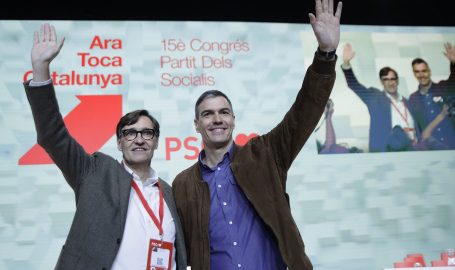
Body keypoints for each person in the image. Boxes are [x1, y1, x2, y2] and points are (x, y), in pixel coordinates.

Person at [172, 0, 342, 269]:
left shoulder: (264, 154)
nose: (217, 119)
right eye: (208, 114)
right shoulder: (182, 184)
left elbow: (304, 111)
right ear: (196, 124)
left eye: (224, 112)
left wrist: (325, 53)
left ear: (233, 120)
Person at [23, 23, 186, 270]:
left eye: (147, 133)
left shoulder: (169, 192)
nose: (139, 139)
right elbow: (53, 135)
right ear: (119, 143)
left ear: (156, 141)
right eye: (130, 133)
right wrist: (41, 69)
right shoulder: (94, 173)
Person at [340, 42, 421, 152]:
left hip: (412, 149)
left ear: (397, 81)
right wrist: (346, 63)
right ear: (381, 82)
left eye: (392, 79)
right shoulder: (374, 97)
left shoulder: (408, 102)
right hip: (387, 151)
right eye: (386, 80)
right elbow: (354, 85)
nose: (390, 83)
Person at [408, 42, 455, 150]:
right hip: (431, 149)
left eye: (424, 71)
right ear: (414, 74)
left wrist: (453, 62)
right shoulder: (413, 99)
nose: (421, 75)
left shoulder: (443, 88)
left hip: (452, 144)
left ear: (429, 72)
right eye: (417, 72)